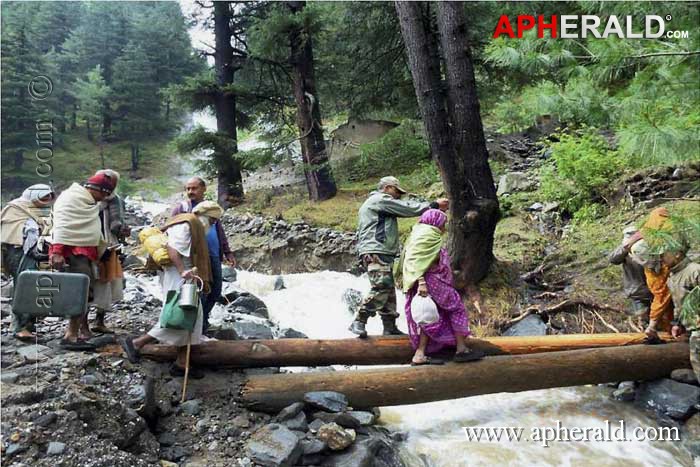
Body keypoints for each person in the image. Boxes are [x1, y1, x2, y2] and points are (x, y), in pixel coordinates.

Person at [121, 202, 222, 378]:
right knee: (180, 315)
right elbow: (172, 249)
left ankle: (182, 363)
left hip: (188, 273)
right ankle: (137, 343)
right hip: (179, 274)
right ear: (205, 215)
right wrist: (183, 270)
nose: (212, 225)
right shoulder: (186, 225)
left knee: (193, 319)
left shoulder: (194, 225)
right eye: (212, 221)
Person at [349, 176, 448, 338]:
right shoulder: (380, 200)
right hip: (376, 250)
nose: (398, 196)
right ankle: (359, 320)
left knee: (388, 290)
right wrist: (434, 205)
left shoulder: (378, 204)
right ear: (387, 188)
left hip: (380, 250)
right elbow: (407, 208)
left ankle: (389, 326)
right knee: (381, 286)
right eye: (396, 191)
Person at [399, 209, 485, 365]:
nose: (444, 228)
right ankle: (461, 349)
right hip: (432, 281)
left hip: (425, 281)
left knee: (429, 314)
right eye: (443, 224)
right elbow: (415, 261)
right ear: (435, 222)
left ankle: (420, 354)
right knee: (456, 308)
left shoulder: (418, 233)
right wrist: (422, 283)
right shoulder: (428, 235)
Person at [50, 173, 115, 350]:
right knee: (78, 292)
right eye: (104, 193)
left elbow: (90, 228)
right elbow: (62, 226)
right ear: (98, 189)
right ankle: (70, 335)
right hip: (73, 253)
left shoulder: (86, 202)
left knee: (85, 293)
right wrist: (57, 252)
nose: (104, 198)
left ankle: (74, 332)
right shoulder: (71, 199)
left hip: (85, 253)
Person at [171, 177, 235, 334]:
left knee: (216, 291)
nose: (190, 192)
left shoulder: (210, 209)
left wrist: (227, 251)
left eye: (194, 188)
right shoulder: (182, 208)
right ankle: (195, 327)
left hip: (213, 255)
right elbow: (172, 235)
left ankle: (203, 321)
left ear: (204, 189)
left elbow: (219, 231)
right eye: (188, 189)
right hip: (195, 258)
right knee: (201, 290)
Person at [1, 184, 55, 340]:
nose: (47, 201)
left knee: (33, 287)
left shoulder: (36, 211)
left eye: (49, 198)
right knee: (25, 287)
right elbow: (11, 233)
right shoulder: (16, 209)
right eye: (44, 197)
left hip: (32, 254)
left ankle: (27, 325)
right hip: (17, 253)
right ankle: (21, 327)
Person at [91, 169, 129, 333]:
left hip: (109, 245)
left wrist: (123, 231)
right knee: (89, 281)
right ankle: (81, 322)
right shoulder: (88, 199)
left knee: (106, 280)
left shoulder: (116, 201)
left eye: (112, 182)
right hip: (89, 243)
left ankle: (99, 319)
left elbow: (117, 224)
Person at [629, 208, 675, 339]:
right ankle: (653, 327)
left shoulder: (645, 232)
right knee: (663, 300)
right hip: (661, 273)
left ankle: (667, 330)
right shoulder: (664, 232)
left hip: (651, 276)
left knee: (663, 301)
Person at [662, 244, 700, 383]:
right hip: (691, 327)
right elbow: (679, 304)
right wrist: (676, 324)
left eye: (664, 254)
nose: (661, 258)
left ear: (677, 254)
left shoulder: (695, 270)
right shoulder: (672, 277)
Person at [608, 226, 653, 318]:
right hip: (637, 291)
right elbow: (613, 259)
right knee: (643, 315)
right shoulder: (624, 251)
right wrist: (626, 247)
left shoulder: (646, 248)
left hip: (651, 288)